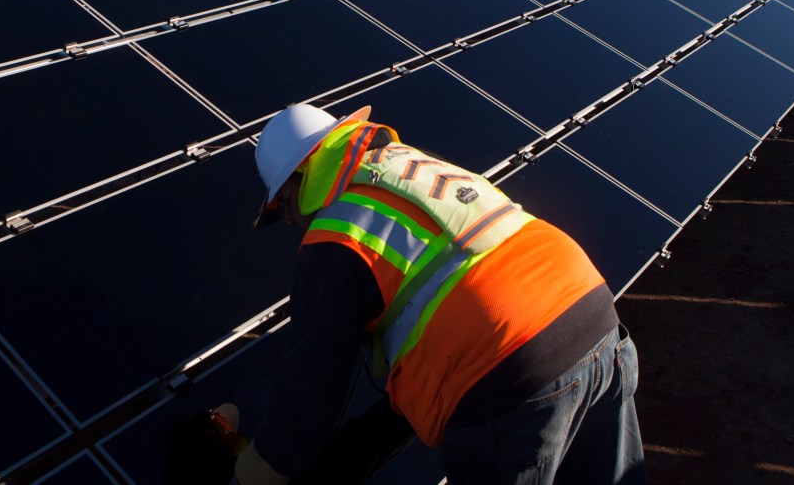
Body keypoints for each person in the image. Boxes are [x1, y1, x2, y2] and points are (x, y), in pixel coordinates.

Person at [234, 104, 646, 485]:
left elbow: (312, 379)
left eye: (283, 207)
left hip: (510, 371)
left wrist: (267, 466)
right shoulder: (409, 167)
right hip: (592, 312)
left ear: (297, 181)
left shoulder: (335, 238)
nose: (291, 221)